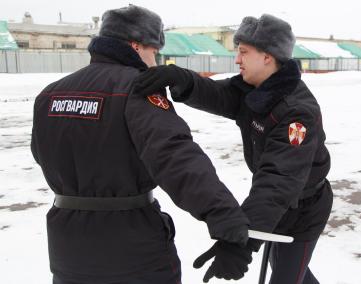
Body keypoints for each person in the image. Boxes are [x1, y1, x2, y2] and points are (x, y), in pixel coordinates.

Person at [31, 5, 250, 284]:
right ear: (136, 46)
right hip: (131, 248)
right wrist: (225, 219)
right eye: (154, 52)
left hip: (67, 248)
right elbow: (175, 157)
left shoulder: (50, 94)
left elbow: (41, 154)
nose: (155, 61)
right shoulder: (137, 88)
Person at [132, 14, 334, 283]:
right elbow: (218, 94)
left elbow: (278, 180)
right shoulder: (253, 89)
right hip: (276, 207)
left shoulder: (296, 112)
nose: (237, 59)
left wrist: (241, 243)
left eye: (243, 52)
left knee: (286, 278)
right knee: (290, 272)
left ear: (267, 56)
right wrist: (181, 78)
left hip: (304, 210)